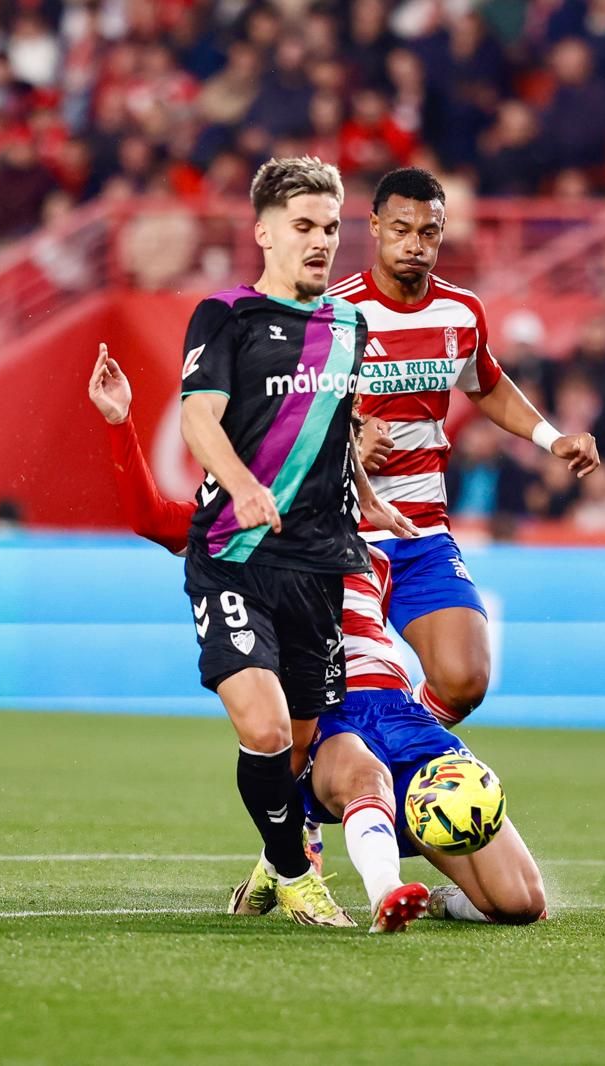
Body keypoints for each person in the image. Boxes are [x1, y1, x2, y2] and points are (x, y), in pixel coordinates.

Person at [87, 347, 546, 933]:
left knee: (520, 903)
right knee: (362, 775)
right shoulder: (250, 516)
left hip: (401, 711)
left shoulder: (379, 543)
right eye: (344, 429)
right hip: (327, 711)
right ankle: (385, 891)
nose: (355, 440)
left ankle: (420, 893)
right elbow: (153, 518)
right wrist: (119, 421)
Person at [177, 156, 416, 928]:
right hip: (236, 555)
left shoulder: (350, 325)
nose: (320, 242)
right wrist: (243, 485)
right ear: (265, 234)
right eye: (303, 228)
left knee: (301, 747)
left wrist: (370, 496)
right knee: (266, 727)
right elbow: (198, 418)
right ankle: (296, 871)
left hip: (319, 566)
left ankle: (273, 858)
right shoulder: (226, 315)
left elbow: (335, 429)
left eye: (329, 228)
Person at [325, 167, 600, 727]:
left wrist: (552, 438)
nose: (414, 245)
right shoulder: (336, 313)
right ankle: (329, 787)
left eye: (429, 233)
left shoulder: (460, 311)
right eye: (401, 230)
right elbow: (293, 413)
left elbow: (488, 383)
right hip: (343, 532)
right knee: (332, 693)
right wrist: (349, 434)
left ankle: (392, 759)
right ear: (375, 227)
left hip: (423, 529)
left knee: (464, 680)